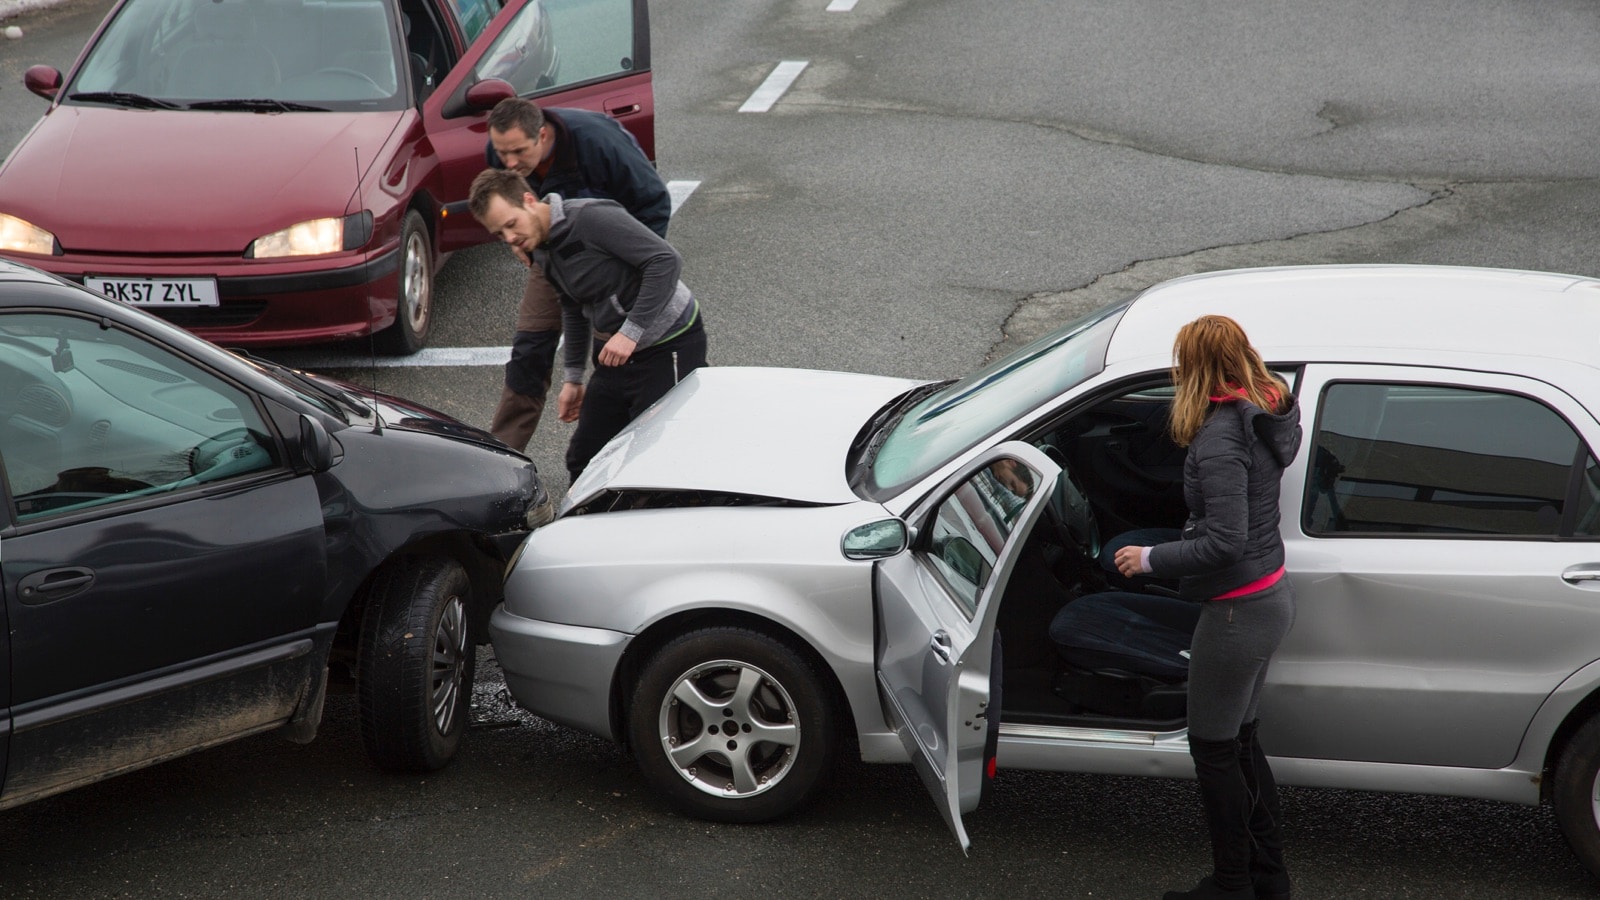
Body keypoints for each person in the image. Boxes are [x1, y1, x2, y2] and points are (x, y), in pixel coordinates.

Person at [1084, 315, 1301, 900]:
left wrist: (1149, 559)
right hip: (1267, 595)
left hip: (1237, 612)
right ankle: (1268, 877)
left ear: (1200, 367)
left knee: (1213, 749)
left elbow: (1225, 540)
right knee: (1241, 742)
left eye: (1183, 362)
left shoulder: (1221, 437)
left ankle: (1232, 885)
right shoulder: (1266, 411)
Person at [467, 168, 707, 482]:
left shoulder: (591, 218)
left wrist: (630, 332)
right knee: (584, 456)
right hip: (617, 352)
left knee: (652, 453)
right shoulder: (541, 247)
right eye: (500, 233)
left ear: (528, 200)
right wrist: (574, 378)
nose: (510, 238)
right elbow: (573, 305)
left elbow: (665, 260)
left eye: (511, 224)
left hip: (669, 341)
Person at [482, 98, 671, 451]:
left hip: (611, 258)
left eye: (518, 152)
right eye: (501, 152)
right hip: (551, 257)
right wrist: (520, 244)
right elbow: (501, 203)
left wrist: (629, 273)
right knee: (529, 352)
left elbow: (654, 203)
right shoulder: (503, 153)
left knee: (617, 360)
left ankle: (635, 457)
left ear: (541, 135)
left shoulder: (599, 143)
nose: (509, 163)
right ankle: (501, 460)